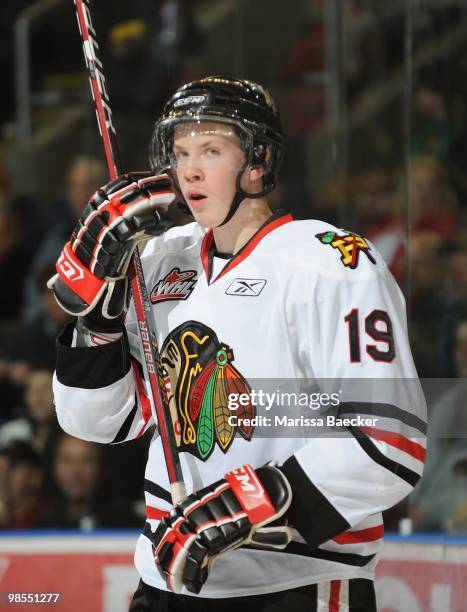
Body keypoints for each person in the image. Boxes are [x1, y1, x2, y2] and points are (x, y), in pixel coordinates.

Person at [49, 77, 426, 611]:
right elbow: (94, 421)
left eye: (211, 149)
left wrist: (253, 500)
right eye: (180, 152)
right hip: (164, 584)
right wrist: (100, 313)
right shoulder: (159, 261)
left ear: (258, 161)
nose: (190, 169)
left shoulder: (330, 263)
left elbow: (391, 443)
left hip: (294, 584)